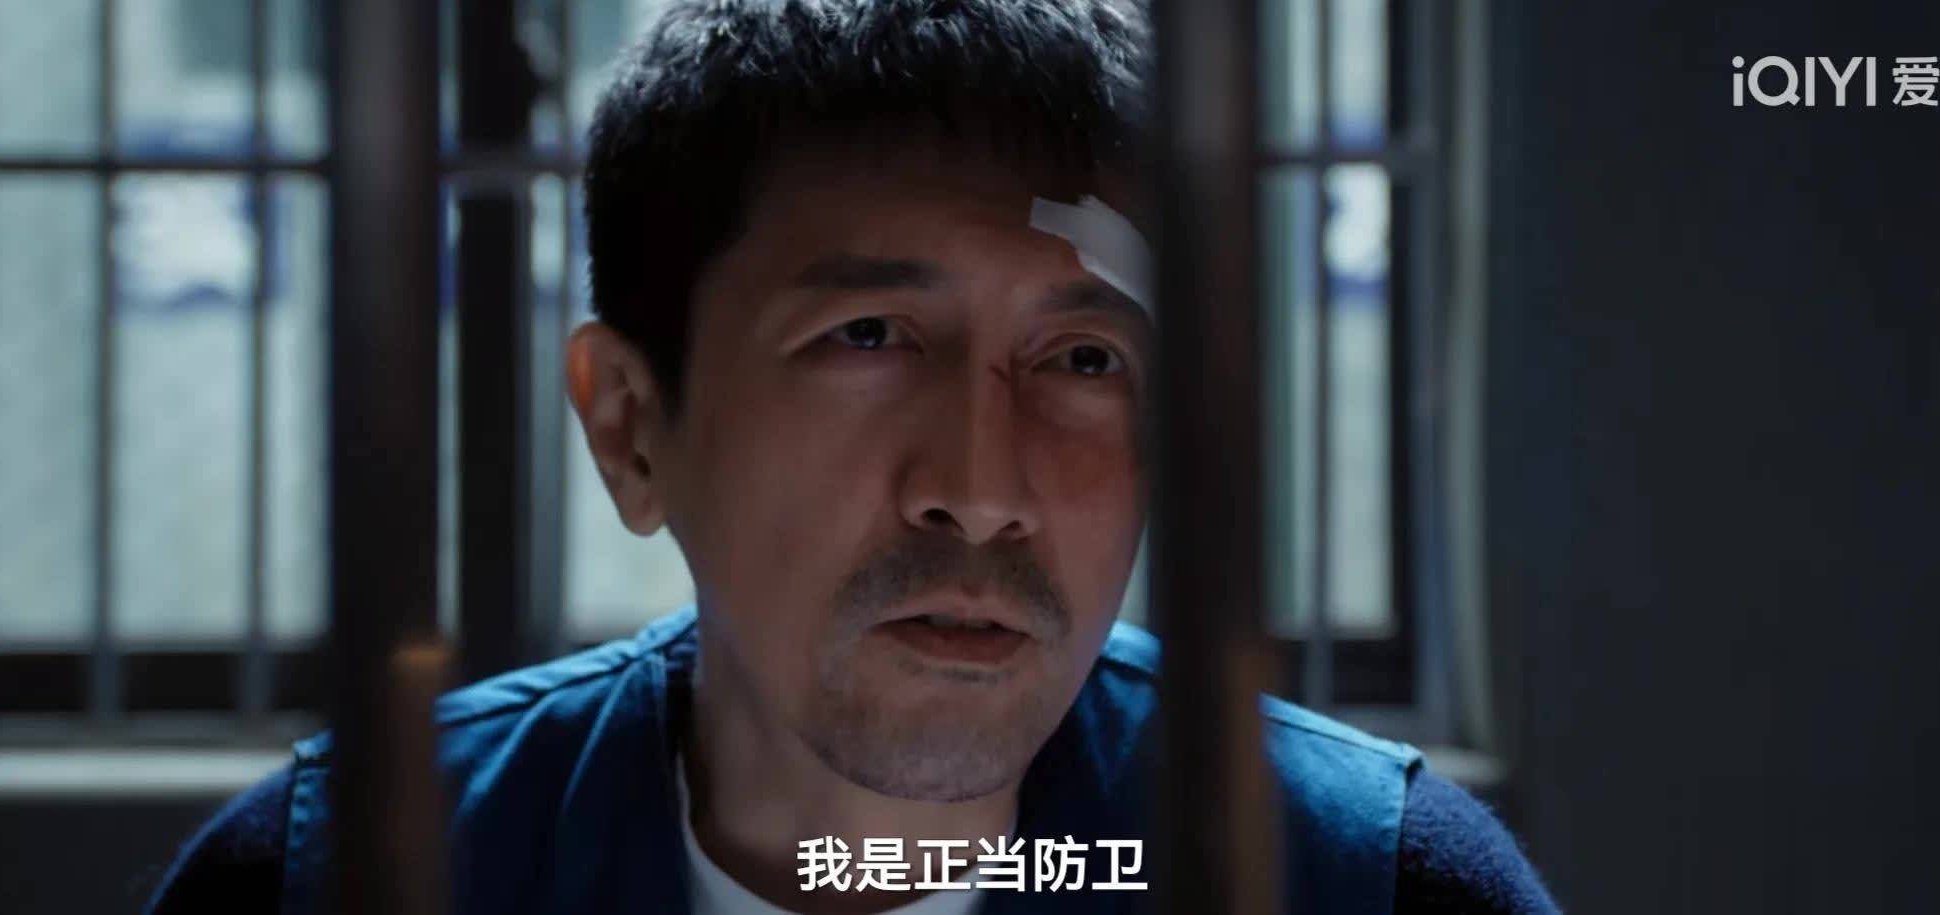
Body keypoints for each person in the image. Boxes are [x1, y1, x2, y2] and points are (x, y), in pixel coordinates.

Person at [148, 0, 1554, 911]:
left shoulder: (1370, 886)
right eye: (870, 336)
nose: (982, 491)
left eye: (1083, 360)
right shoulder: (339, 879)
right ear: (631, 426)